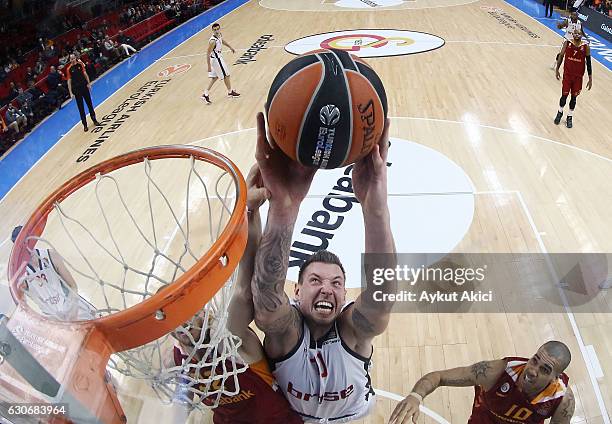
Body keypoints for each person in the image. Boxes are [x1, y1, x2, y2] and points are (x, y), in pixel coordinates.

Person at [249, 111, 396, 422]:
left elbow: (381, 295)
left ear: (344, 295)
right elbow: (265, 299)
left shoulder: (353, 330)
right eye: (315, 280)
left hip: (351, 417)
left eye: (337, 283)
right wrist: (283, 208)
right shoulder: (286, 331)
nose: (327, 289)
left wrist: (375, 208)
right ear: (297, 290)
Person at [170, 164, 303, 424]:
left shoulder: (230, 338)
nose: (183, 324)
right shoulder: (179, 357)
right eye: (175, 318)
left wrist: (247, 209)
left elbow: (245, 284)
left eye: (187, 314)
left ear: (204, 313)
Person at [389, 341, 575, 424]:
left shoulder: (562, 401)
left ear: (555, 377)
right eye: (534, 360)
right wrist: (416, 396)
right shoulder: (495, 372)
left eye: (545, 369)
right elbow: (438, 376)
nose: (533, 371)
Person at [10, 226, 96, 321]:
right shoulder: (20, 276)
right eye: (22, 244)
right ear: (17, 248)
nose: (25, 246)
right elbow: (23, 307)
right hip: (54, 319)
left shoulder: (51, 255)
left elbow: (73, 285)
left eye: (27, 241)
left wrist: (72, 311)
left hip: (74, 306)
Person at [554, 30, 592, 128]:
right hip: (567, 75)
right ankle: (560, 112)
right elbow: (561, 55)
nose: (577, 35)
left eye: (579, 34)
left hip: (578, 77)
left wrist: (590, 78)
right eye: (575, 33)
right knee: (564, 96)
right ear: (573, 34)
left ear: (581, 35)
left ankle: (569, 116)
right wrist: (557, 69)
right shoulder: (567, 43)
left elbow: (589, 62)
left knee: (574, 98)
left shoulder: (586, 47)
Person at [201, 22, 240, 104]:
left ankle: (205, 94)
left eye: (218, 29)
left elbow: (222, 41)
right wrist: (208, 66)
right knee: (226, 75)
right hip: (216, 60)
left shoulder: (219, 35)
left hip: (218, 57)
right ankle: (230, 92)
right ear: (212, 30)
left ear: (219, 29)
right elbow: (208, 53)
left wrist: (230, 47)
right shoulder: (212, 41)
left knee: (215, 78)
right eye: (214, 30)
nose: (216, 31)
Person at [66, 54, 101, 132]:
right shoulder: (69, 69)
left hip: (84, 87)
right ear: (70, 60)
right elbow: (69, 81)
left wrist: (88, 83)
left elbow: (85, 74)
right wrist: (71, 93)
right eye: (71, 59)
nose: (72, 60)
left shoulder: (80, 64)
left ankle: (94, 120)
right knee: (81, 108)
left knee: (90, 104)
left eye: (73, 58)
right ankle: (85, 125)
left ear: (75, 58)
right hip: (77, 90)